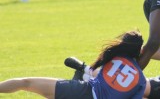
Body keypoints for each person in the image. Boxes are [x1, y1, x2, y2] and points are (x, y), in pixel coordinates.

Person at [0, 31, 146, 99]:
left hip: (81, 92)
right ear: (139, 50)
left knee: (26, 83)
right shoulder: (140, 80)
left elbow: (97, 75)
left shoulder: (113, 57)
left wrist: (83, 67)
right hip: (84, 92)